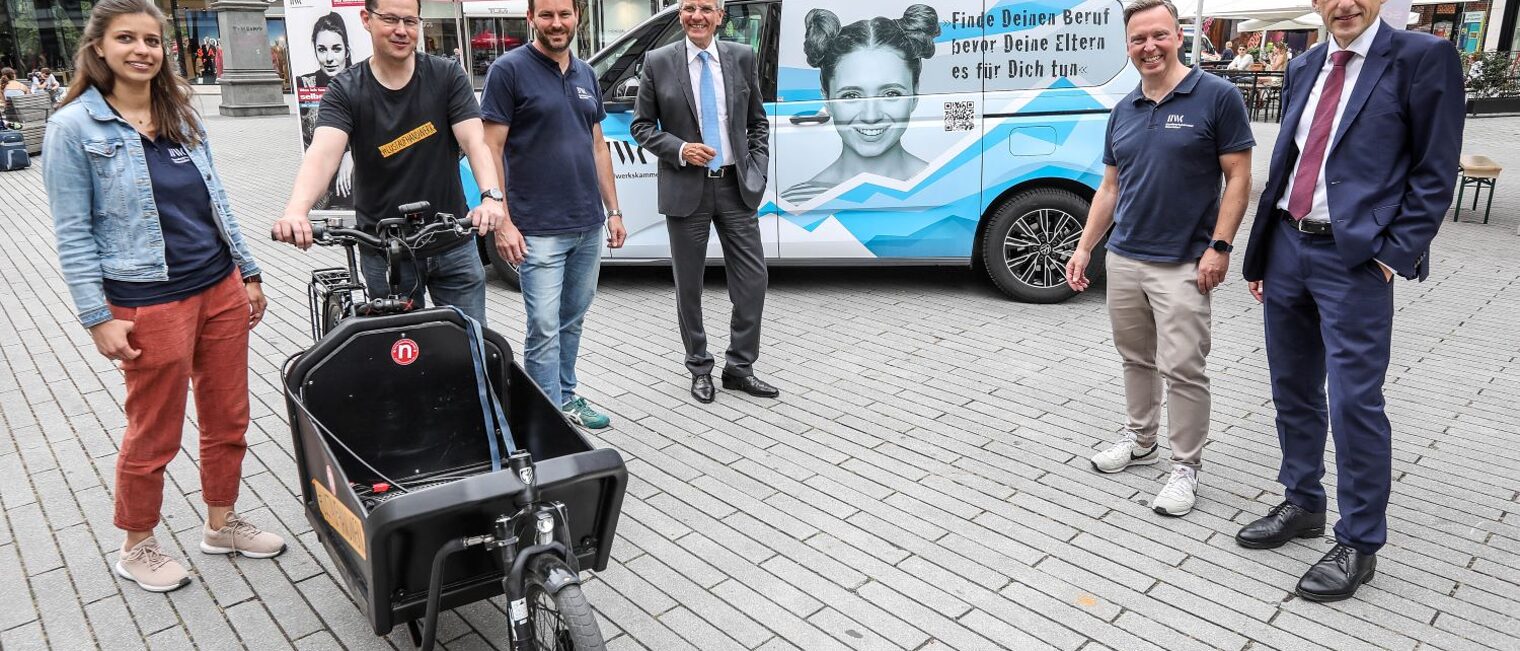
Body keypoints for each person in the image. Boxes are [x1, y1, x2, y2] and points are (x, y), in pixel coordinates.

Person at [43, 0, 285, 593]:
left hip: (218, 287)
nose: (142, 50)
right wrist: (97, 317)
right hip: (148, 301)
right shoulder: (73, 127)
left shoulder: (178, 112)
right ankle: (136, 543)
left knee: (229, 417)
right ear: (98, 47)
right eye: (126, 38)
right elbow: (73, 233)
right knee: (154, 430)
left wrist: (248, 272)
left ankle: (220, 523)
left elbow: (216, 201)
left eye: (152, 40)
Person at [1235, 0, 1464, 602]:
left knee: (1355, 402)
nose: (1344, 4)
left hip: (1356, 261)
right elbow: (1286, 161)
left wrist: (1394, 254)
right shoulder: (1305, 64)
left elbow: (1435, 171)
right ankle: (1303, 501)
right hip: (1288, 245)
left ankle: (1360, 541)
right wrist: (1262, 255)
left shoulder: (1423, 58)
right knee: (1291, 387)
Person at [1065, 0, 1253, 517]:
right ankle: (1141, 439)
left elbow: (1238, 177)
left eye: (1158, 35)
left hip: (1184, 263)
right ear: (1127, 46)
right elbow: (1109, 187)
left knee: (1185, 368)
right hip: (1125, 257)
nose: (1148, 47)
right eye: (1137, 39)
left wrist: (1220, 246)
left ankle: (1186, 467)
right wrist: (1085, 248)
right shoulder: (1123, 110)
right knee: (1135, 358)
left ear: (1178, 35)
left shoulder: (1217, 96)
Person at [272, 0, 507, 326]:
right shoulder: (346, 89)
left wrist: (491, 196)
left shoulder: (446, 75)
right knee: (398, 357)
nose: (401, 30)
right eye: (391, 19)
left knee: (469, 351)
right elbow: (323, 153)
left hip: (452, 243)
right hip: (386, 252)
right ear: (367, 19)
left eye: (410, 21)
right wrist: (296, 211)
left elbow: (475, 141)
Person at [480, 0, 626, 429]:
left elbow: (598, 145)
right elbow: (490, 149)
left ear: (577, 17)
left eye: (564, 14)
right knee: (543, 325)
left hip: (586, 223)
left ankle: (564, 394)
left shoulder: (586, 74)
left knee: (572, 319)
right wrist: (503, 219)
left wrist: (613, 211)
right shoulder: (508, 71)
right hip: (536, 227)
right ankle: (546, 417)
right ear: (531, 19)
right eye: (546, 15)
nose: (556, 23)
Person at [630, 0, 777, 404]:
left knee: (753, 280)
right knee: (689, 286)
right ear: (680, 14)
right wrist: (679, 149)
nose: (697, 16)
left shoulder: (741, 57)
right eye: (689, 7)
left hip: (735, 187)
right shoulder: (658, 61)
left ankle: (740, 367)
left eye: (706, 8)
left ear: (720, 16)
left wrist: (756, 172)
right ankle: (699, 366)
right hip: (685, 189)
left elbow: (757, 123)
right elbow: (641, 126)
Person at [780, 5, 939, 204]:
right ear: (826, 98)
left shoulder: (942, 188)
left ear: (915, 94)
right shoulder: (794, 202)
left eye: (890, 93)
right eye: (851, 96)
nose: (870, 116)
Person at [295, 12, 357, 208]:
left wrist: (351, 153)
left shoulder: (364, 83)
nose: (329, 58)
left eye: (336, 49)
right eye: (322, 50)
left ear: (346, 51)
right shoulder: (305, 84)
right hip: (321, 182)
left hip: (359, 184)